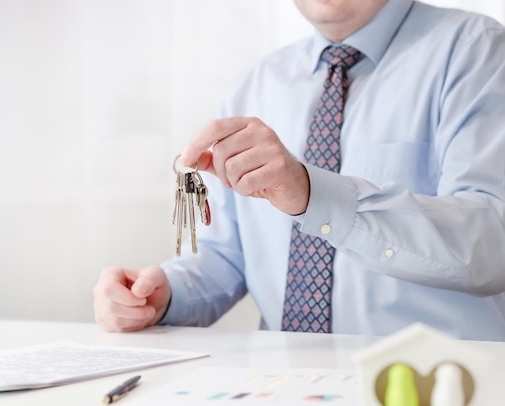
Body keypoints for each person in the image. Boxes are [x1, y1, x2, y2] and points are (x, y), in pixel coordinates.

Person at [93, 0, 505, 340]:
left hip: (439, 384)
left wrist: (312, 194)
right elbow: (227, 254)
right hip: (283, 383)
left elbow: (492, 241)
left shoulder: (479, 52)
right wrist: (164, 294)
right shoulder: (254, 83)